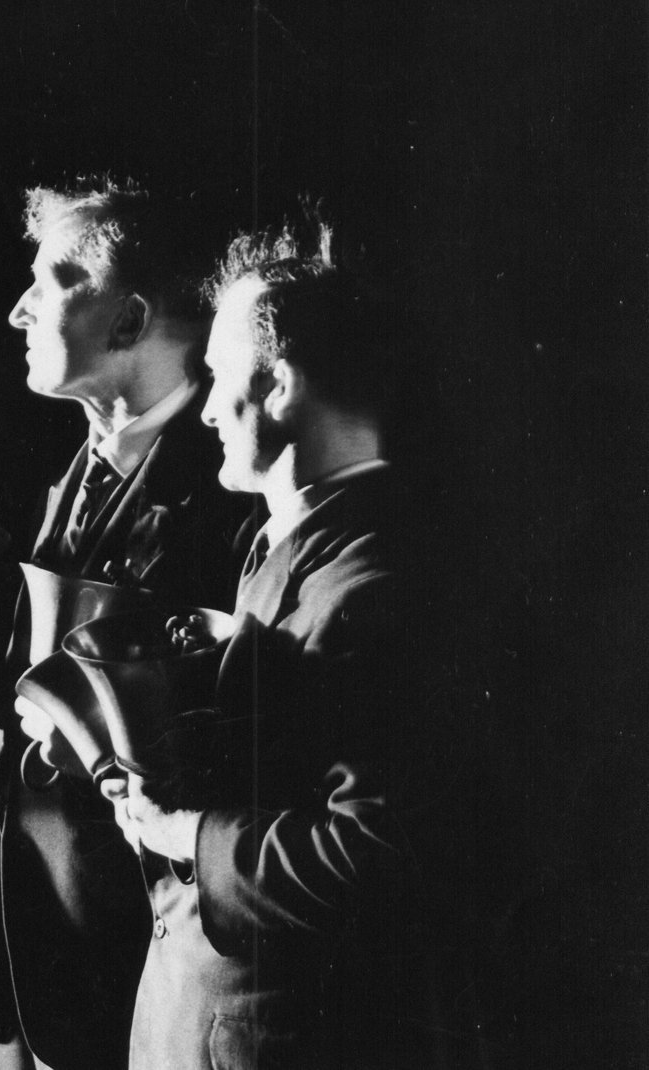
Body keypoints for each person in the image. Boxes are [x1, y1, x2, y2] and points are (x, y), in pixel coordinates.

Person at [101, 218, 480, 1069]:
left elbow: (374, 857)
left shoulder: (371, 589)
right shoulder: (292, 550)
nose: (202, 410)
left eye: (219, 380)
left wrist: (179, 831)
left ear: (279, 385)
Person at [0, 179, 258, 1070]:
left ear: (129, 322)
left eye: (51, 282)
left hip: (127, 954)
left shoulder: (235, 491)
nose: (18, 308)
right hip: (21, 932)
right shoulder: (76, 464)